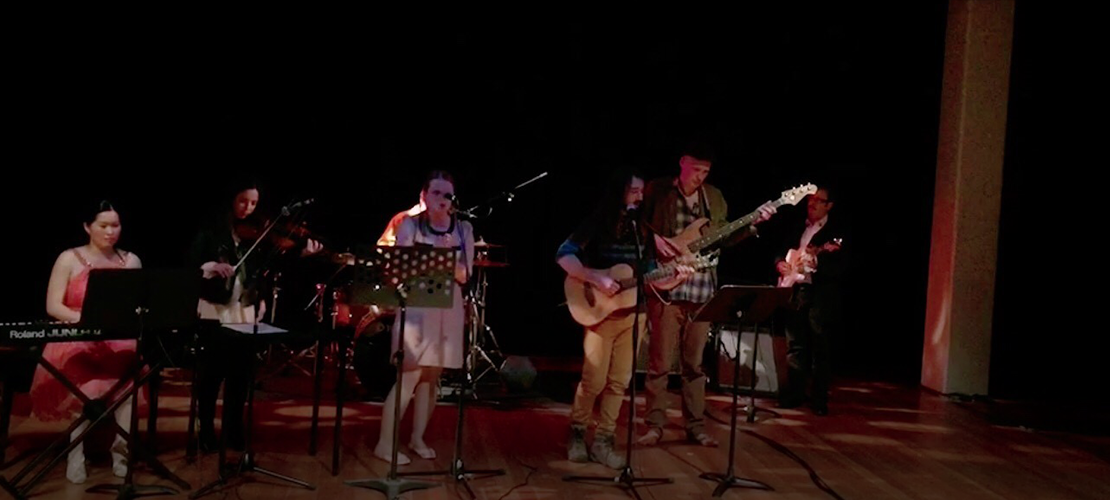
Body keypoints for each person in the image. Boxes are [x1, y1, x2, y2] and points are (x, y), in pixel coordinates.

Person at [638, 142, 775, 447]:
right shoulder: (658, 190)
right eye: (696, 169)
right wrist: (655, 241)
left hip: (701, 291)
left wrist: (752, 224)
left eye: (706, 171)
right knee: (659, 364)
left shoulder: (714, 197)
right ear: (682, 162)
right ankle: (654, 426)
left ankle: (695, 426)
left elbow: (724, 237)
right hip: (666, 289)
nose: (700, 176)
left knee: (694, 366)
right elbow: (637, 224)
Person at [30, 200, 142, 483]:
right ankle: (75, 454)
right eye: (103, 225)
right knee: (81, 385)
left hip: (116, 339)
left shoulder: (131, 261)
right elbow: (54, 305)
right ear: (87, 227)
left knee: (127, 389)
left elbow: (135, 304)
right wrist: (86, 320)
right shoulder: (69, 258)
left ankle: (122, 452)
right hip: (78, 336)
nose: (110, 232)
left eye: (115, 225)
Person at [373, 170, 474, 465]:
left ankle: (417, 438)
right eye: (436, 193)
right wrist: (441, 259)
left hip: (448, 307)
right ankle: (385, 443)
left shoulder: (463, 229)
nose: (442, 199)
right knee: (409, 375)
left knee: (432, 377)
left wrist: (442, 260)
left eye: (447, 194)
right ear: (424, 196)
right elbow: (403, 267)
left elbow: (464, 274)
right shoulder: (410, 224)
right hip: (418, 308)